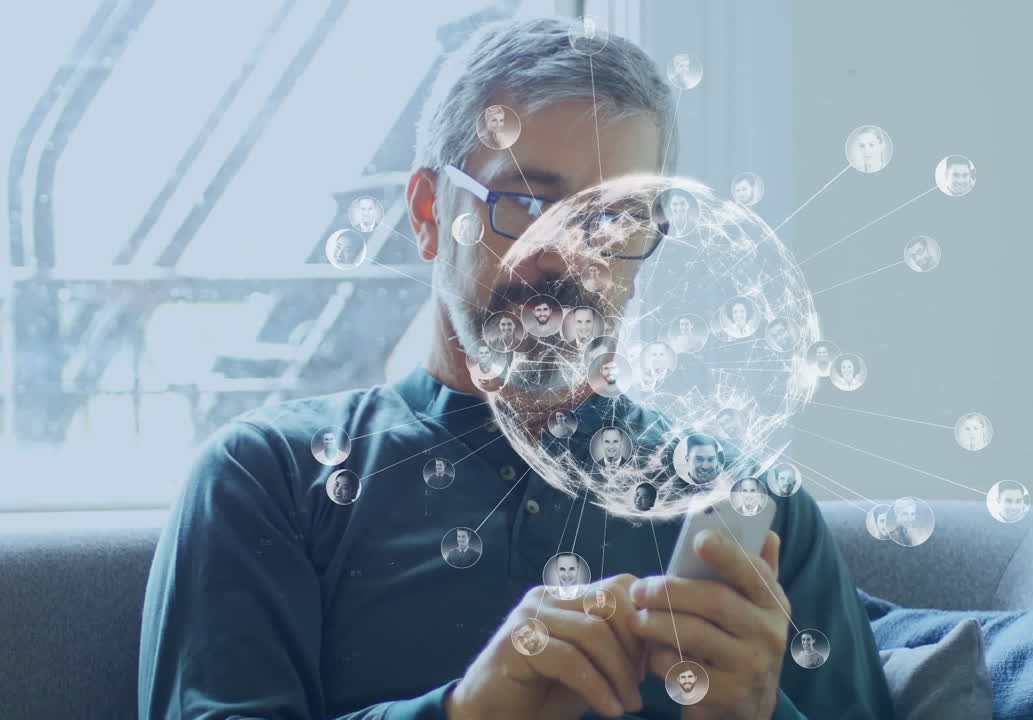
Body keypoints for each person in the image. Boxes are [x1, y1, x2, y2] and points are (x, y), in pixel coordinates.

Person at [140, 18, 893, 720]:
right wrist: (465, 712)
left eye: (615, 220)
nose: (569, 259)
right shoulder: (265, 478)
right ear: (430, 213)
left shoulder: (752, 508)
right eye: (524, 202)